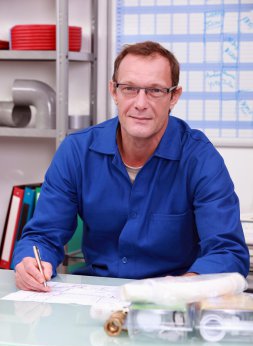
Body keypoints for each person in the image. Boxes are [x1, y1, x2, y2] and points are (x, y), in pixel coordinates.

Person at [13, 41, 249, 292]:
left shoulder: (199, 158)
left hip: (174, 302)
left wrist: (184, 286)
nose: (140, 103)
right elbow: (42, 236)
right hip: (97, 297)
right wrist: (30, 262)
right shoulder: (77, 152)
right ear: (114, 91)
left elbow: (228, 252)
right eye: (129, 88)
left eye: (155, 90)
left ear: (174, 97)